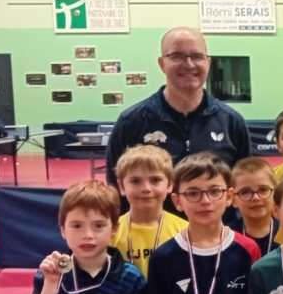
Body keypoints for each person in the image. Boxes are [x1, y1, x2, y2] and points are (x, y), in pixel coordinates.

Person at [105, 27, 251, 186]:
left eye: (197, 56)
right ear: (162, 64)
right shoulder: (131, 121)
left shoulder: (231, 122)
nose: (189, 64)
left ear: (208, 63)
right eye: (177, 56)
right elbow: (116, 188)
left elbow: (243, 186)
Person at [147, 153, 260, 294]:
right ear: (177, 201)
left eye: (215, 191)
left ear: (229, 197)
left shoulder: (248, 249)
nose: (205, 201)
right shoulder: (163, 256)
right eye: (193, 193)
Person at [110, 145, 189, 278]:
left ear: (170, 184)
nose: (146, 188)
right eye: (135, 181)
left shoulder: (185, 231)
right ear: (121, 186)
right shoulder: (111, 233)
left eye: (155, 180)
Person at [230, 157, 279, 256]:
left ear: (276, 193)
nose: (256, 198)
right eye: (245, 192)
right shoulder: (226, 238)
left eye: (263, 190)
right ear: (233, 199)